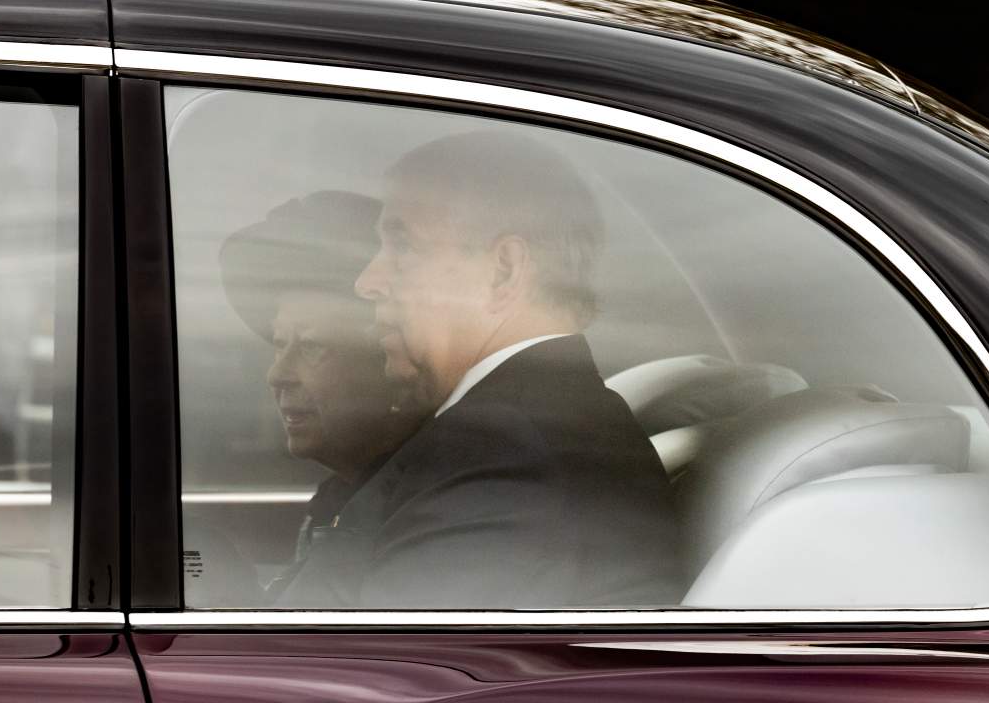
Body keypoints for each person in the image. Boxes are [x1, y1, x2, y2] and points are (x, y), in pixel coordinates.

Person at [337, 129, 683, 608]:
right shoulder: (523, 432)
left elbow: (381, 652)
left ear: (504, 271)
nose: (367, 282)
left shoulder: (506, 457)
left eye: (403, 246)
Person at [217, 190, 423, 604]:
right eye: (280, 345)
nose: (277, 375)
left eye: (311, 347)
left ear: (391, 362)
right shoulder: (344, 501)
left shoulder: (421, 515)